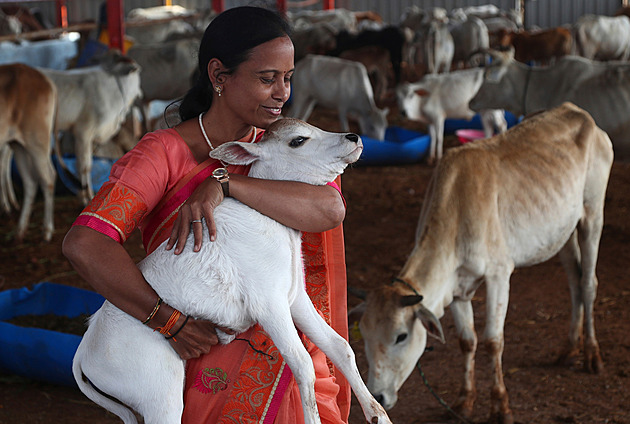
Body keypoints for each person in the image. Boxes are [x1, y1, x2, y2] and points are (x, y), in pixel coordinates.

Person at [62, 6, 352, 423]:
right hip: (199, 350)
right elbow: (85, 244)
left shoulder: (285, 144)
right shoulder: (162, 154)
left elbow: (329, 208)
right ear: (219, 76)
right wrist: (170, 322)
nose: (282, 93)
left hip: (286, 353)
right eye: (267, 78)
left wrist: (225, 185)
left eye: (287, 78)